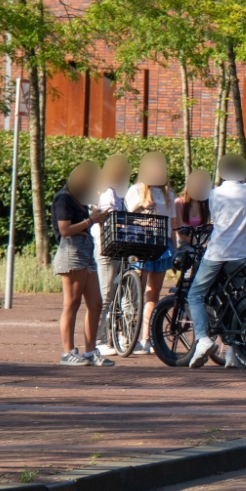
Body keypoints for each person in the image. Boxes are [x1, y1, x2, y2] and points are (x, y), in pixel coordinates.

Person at [189, 154, 246, 369]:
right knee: (237, 298)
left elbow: (217, 219)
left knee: (196, 294)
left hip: (218, 252)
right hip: (244, 254)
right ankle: (233, 353)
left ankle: (203, 340)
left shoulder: (214, 194)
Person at [52, 161, 113, 367]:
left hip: (86, 250)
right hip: (72, 250)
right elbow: (65, 230)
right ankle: (67, 352)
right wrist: (90, 221)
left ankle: (89, 352)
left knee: (95, 303)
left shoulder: (79, 200)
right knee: (72, 302)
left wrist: (97, 217)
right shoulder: (64, 198)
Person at [125, 151, 181, 355]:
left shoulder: (169, 193)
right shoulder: (137, 190)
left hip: (163, 244)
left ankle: (145, 339)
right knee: (136, 290)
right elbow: (127, 217)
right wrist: (142, 207)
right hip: (141, 241)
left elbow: (173, 226)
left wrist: (174, 251)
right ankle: (127, 333)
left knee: (153, 293)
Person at [92, 154, 131, 357]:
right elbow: (105, 221)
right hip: (106, 250)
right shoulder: (106, 195)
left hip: (117, 249)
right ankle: (97, 341)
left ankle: (113, 336)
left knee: (118, 295)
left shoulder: (118, 196)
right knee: (106, 296)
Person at [176, 169, 212, 235]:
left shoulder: (204, 204)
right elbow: (179, 233)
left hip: (200, 240)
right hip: (183, 242)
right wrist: (195, 243)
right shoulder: (179, 203)